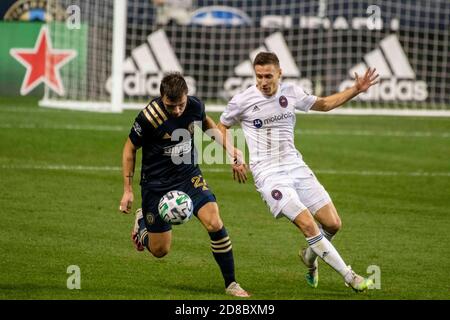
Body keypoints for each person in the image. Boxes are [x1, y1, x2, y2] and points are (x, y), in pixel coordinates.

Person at [217, 52, 379, 292]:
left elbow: (324, 104)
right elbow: (221, 126)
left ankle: (309, 258)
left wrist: (356, 89)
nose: (263, 81)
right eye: (259, 76)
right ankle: (350, 276)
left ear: (279, 73)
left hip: (296, 166)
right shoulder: (242, 100)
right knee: (308, 225)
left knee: (333, 224)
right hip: (268, 174)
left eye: (268, 76)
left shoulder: (292, 92)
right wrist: (234, 154)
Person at [119, 72, 250, 298]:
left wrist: (231, 150)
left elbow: (207, 124)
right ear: (161, 98)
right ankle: (142, 227)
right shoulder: (149, 117)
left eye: (181, 105)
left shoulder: (194, 105)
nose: (178, 110)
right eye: (171, 106)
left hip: (187, 176)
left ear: (186, 96)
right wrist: (128, 190)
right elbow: (129, 149)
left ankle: (231, 284)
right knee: (160, 250)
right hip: (156, 185)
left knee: (214, 222)